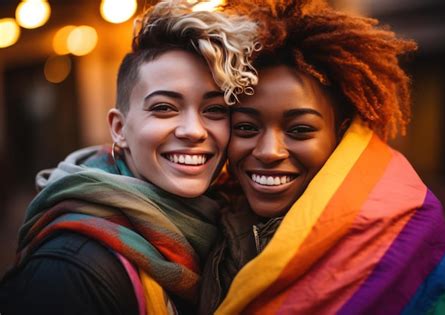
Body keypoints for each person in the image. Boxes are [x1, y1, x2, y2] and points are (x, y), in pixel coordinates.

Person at [199, 0, 445, 314]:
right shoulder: (208, 220)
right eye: (246, 127)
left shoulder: (400, 232)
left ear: (340, 135)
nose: (268, 151)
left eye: (299, 129)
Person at [0, 1, 258, 314]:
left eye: (214, 109)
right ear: (119, 128)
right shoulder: (71, 269)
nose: (194, 131)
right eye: (164, 107)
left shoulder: (225, 227)